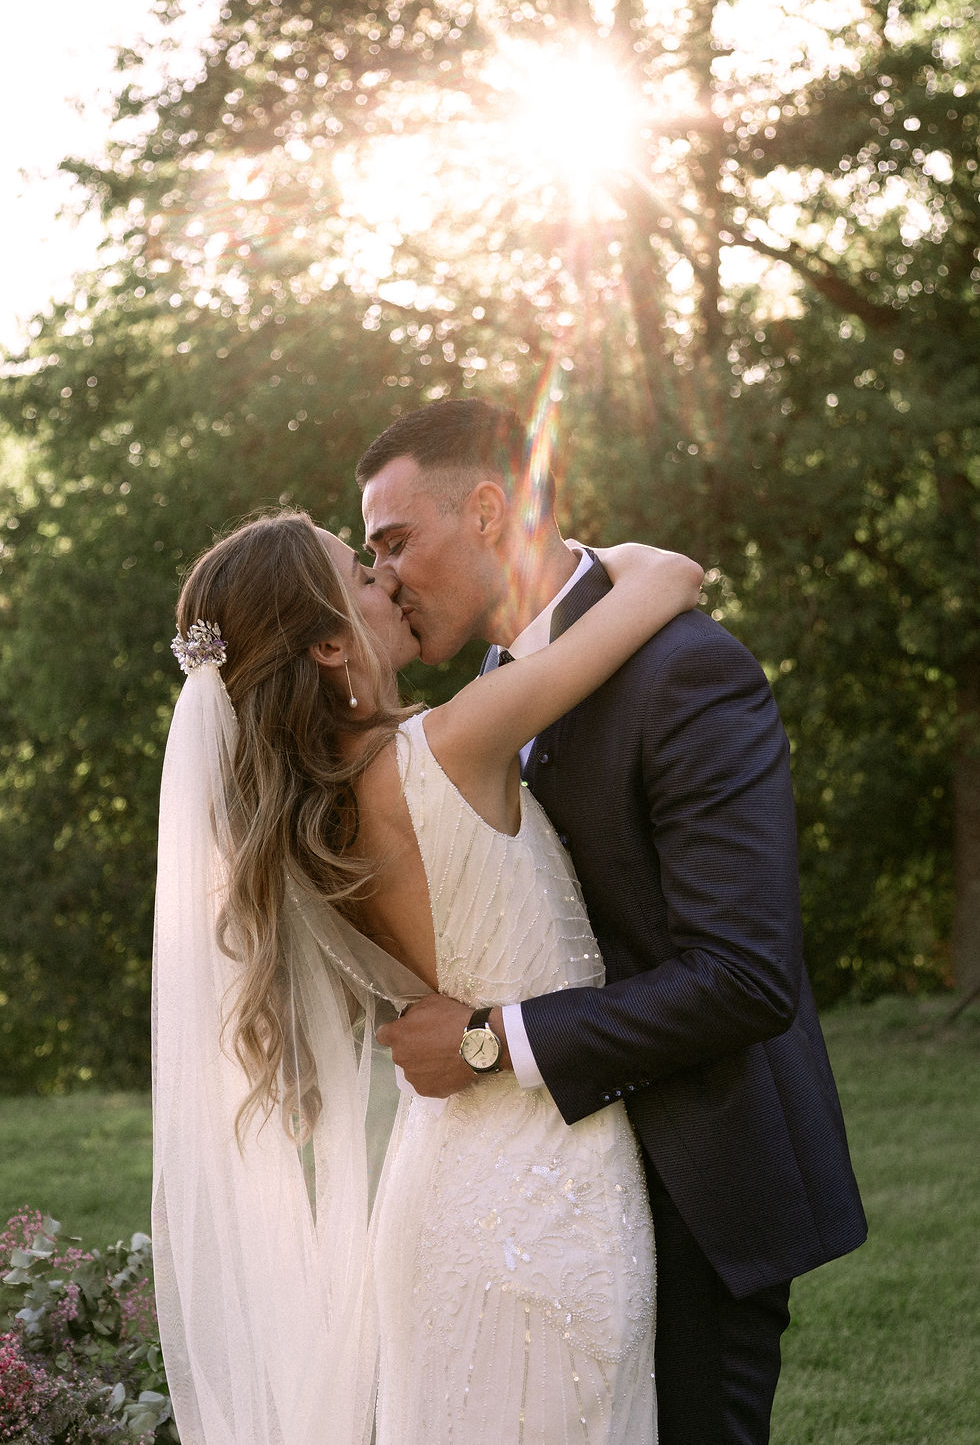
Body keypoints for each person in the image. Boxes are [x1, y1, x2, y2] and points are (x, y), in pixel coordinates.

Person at [357, 398, 869, 1445]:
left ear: (489, 510)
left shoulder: (684, 671)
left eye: (394, 542)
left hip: (696, 1193)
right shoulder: (502, 693)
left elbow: (742, 975)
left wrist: (488, 1039)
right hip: (556, 1199)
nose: (388, 577)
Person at [152, 508, 703, 1445]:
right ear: (331, 643)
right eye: (360, 575)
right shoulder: (452, 745)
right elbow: (672, 575)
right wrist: (588, 550)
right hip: (547, 1189)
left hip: (437, 1191)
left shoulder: (298, 829)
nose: (389, 581)